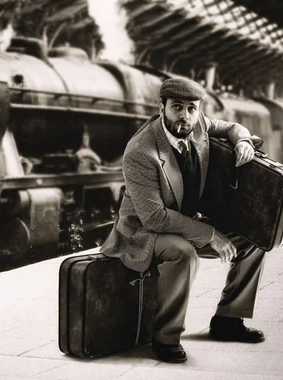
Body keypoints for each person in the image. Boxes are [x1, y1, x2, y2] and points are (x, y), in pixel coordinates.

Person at [100, 76, 266, 363]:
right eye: (177, 107)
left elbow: (231, 127)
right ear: (161, 106)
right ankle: (165, 337)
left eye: (192, 108)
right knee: (184, 254)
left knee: (254, 240)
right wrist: (211, 234)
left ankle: (229, 320)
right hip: (143, 232)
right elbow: (154, 217)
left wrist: (242, 141)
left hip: (183, 222)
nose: (185, 115)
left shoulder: (199, 124)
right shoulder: (141, 151)